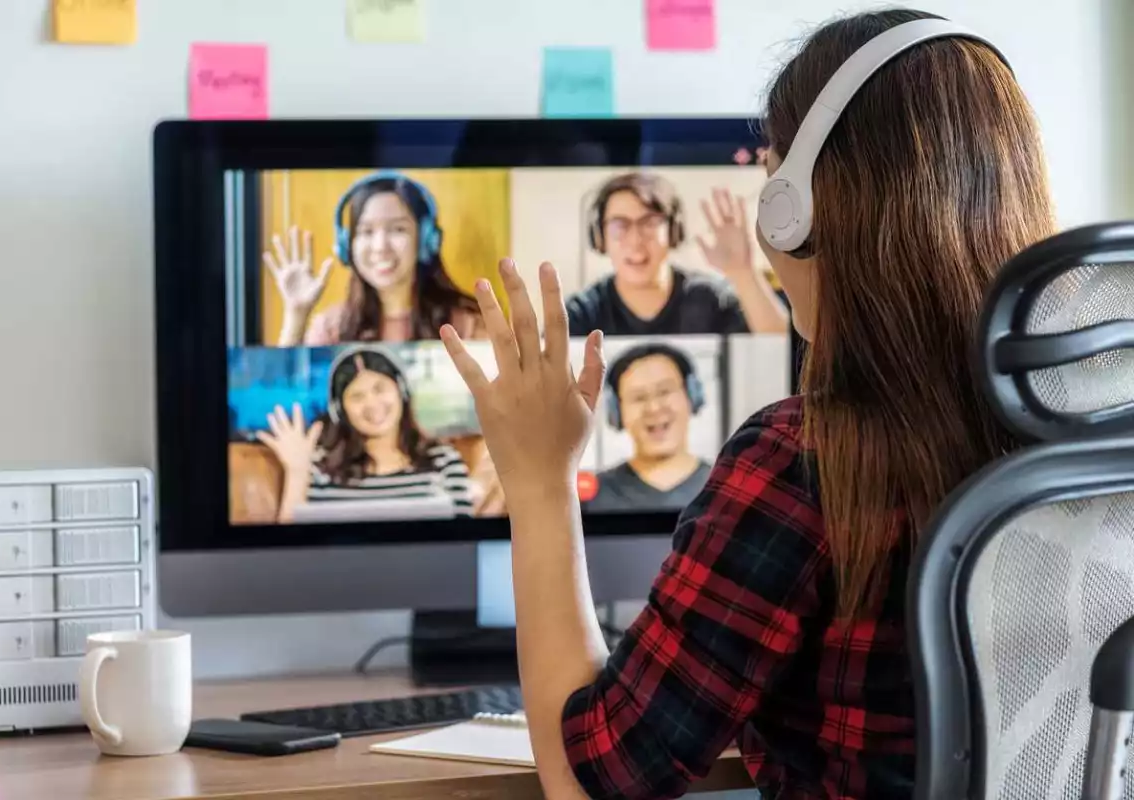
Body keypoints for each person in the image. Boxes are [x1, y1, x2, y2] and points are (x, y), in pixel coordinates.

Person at [438, 9, 1055, 799]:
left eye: (772, 172)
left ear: (795, 211)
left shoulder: (807, 465)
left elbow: (590, 786)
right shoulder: (1087, 430)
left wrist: (535, 478)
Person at [256, 346, 475, 522]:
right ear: (340, 410)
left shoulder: (444, 461)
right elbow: (290, 550)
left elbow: (465, 541)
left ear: (402, 391)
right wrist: (297, 472)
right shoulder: (317, 467)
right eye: (357, 396)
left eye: (380, 389)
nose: (372, 403)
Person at [264, 171, 483, 346]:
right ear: (347, 246)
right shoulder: (332, 329)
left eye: (397, 229)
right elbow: (284, 397)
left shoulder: (468, 325)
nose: (380, 247)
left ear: (426, 239)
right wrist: (297, 315)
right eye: (366, 232)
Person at [565, 172, 790, 337]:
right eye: (620, 225)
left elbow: (780, 343)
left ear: (674, 230)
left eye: (649, 223)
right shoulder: (583, 312)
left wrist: (743, 273)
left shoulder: (710, 297)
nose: (635, 240)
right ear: (600, 236)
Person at [585, 343, 710, 512]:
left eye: (664, 391)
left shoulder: (732, 487)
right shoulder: (592, 496)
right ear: (617, 412)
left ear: (692, 396)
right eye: (638, 398)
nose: (653, 408)